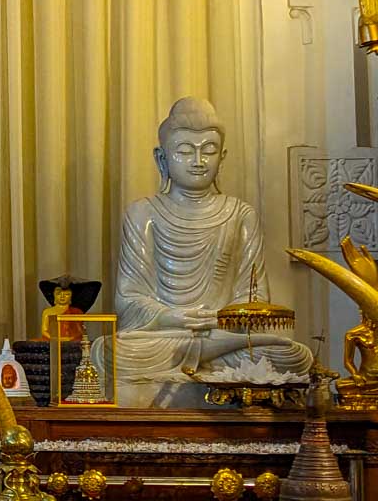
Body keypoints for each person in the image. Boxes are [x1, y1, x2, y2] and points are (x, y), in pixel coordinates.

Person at [107, 97, 311, 407]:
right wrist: (171, 316)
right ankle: (204, 363)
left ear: (222, 157)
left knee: (292, 354)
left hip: (223, 333)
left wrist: (220, 319)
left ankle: (205, 360)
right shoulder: (142, 213)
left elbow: (253, 297)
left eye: (209, 150)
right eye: (185, 151)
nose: (198, 160)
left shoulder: (240, 214)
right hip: (165, 336)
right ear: (162, 158)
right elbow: (129, 299)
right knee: (113, 352)